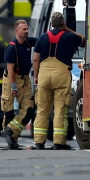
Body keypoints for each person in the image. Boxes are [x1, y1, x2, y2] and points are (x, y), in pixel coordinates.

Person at [31, 11, 84, 150]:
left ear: (50, 24)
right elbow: (83, 40)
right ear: (63, 24)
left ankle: (39, 142)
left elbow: (36, 58)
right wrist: (67, 29)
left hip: (44, 75)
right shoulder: (70, 36)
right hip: (61, 75)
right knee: (60, 109)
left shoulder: (42, 37)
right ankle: (59, 142)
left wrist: (36, 76)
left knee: (42, 109)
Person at [1, 19, 36, 150]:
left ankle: (10, 131)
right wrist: (13, 86)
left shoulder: (28, 42)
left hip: (25, 79)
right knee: (9, 111)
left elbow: (43, 41)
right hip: (12, 79)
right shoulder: (12, 48)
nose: (27, 31)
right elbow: (10, 69)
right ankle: (12, 139)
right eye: (24, 29)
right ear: (17, 31)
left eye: (27, 29)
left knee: (29, 111)